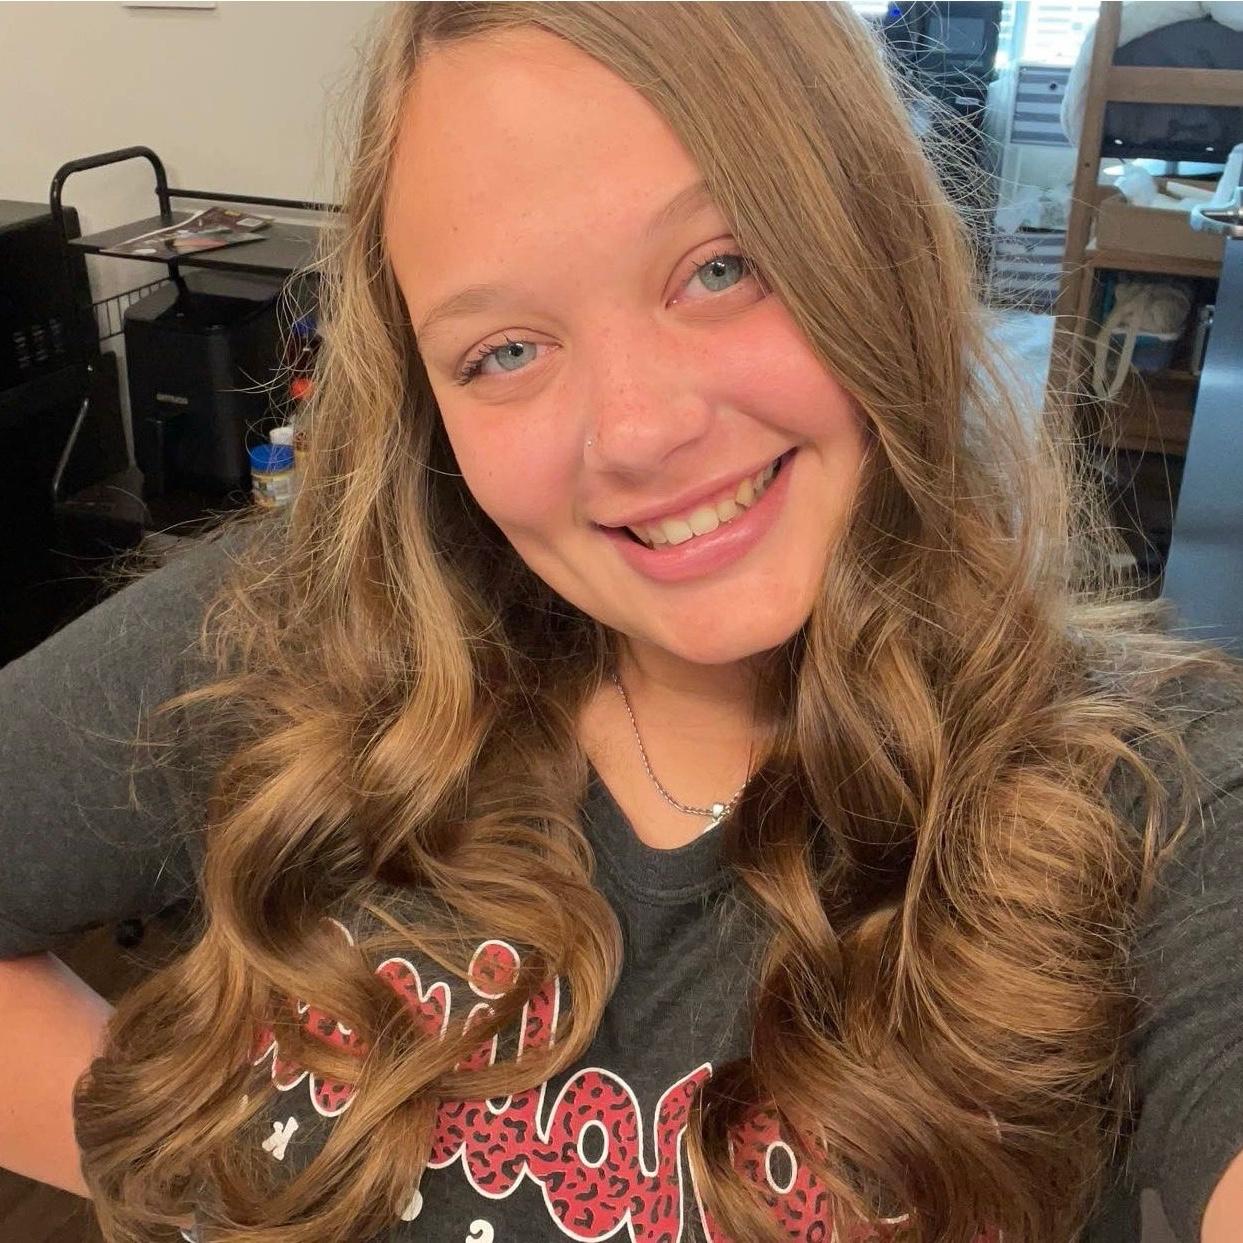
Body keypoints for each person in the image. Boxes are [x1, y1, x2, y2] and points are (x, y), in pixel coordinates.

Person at [2, 4, 1241, 1241]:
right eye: (504, 351)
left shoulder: (1153, 792)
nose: (639, 433)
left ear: (875, 247)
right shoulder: (281, 638)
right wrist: (226, 1203)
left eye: (720, 267)